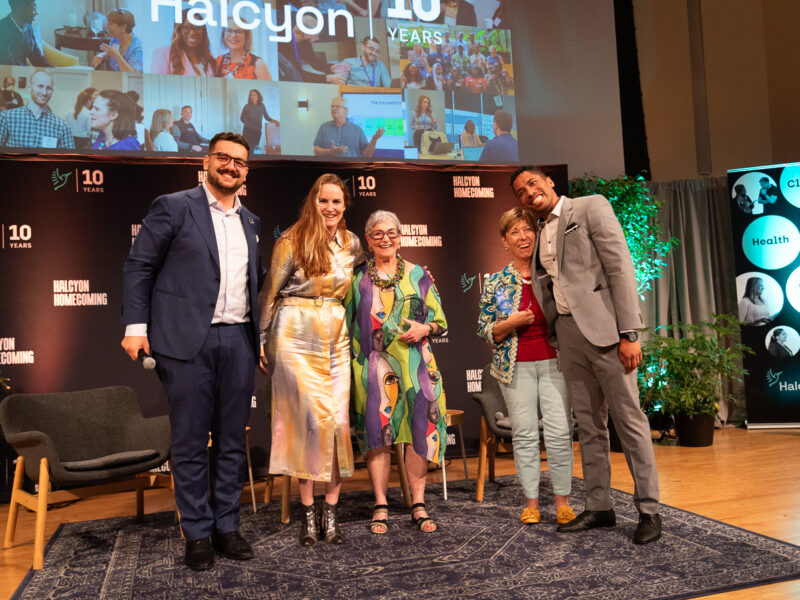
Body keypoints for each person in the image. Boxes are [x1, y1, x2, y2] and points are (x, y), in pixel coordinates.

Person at [121, 132, 265, 571]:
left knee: (232, 442)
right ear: (206, 162)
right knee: (188, 442)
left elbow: (253, 283)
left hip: (239, 340)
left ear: (246, 172)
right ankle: (197, 533)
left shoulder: (251, 221)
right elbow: (140, 266)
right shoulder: (173, 206)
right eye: (223, 157)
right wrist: (135, 326)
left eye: (239, 162)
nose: (231, 166)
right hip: (186, 342)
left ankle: (227, 526)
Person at [511, 166, 661, 545]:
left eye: (532, 183)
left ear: (549, 182)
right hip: (569, 336)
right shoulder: (539, 231)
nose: (528, 192)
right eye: (521, 191)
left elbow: (619, 267)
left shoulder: (590, 207)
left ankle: (649, 510)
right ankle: (599, 506)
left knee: (629, 422)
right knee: (590, 426)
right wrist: (559, 335)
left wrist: (629, 333)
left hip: (609, 334)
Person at [258, 173, 362, 546]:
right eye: (323, 200)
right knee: (305, 424)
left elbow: (361, 287)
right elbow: (270, 293)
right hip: (294, 331)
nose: (330, 208)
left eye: (337, 201)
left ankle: (330, 511)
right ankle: (307, 513)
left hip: (335, 331)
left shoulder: (352, 243)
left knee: (337, 423)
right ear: (312, 202)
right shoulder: (291, 240)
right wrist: (261, 340)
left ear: (345, 205)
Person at [345, 210, 447, 535]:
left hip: (417, 367)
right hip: (373, 368)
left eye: (391, 233)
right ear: (368, 240)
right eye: (378, 233)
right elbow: (344, 324)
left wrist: (424, 328)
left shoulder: (419, 275)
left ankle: (418, 502)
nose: (385, 238)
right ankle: (380, 503)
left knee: (420, 430)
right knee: (378, 435)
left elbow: (440, 322)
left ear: (401, 237)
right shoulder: (357, 278)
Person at [477, 207, 575, 525]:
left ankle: (563, 502)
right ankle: (531, 503)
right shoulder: (497, 283)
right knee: (525, 435)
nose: (523, 236)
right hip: (515, 368)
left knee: (559, 433)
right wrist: (510, 323)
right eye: (514, 231)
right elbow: (484, 329)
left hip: (555, 363)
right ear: (504, 240)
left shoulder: (552, 274)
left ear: (537, 234)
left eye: (527, 229)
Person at [0, 70, 73, 148]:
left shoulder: (62, 126)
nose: (44, 93)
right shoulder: (7, 117)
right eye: (40, 86)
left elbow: (69, 155)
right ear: (29, 87)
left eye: (49, 88)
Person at [277, 12, 348, 84]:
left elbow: (314, 61)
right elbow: (297, 74)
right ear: (306, 35)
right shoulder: (284, 45)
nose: (318, 38)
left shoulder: (304, 41)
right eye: (316, 36)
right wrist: (327, 78)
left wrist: (330, 68)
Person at [313, 96, 384, 158]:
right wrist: (331, 152)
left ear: (346, 111)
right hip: (328, 168)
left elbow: (367, 155)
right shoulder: (324, 127)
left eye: (337, 106)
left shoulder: (357, 130)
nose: (333, 109)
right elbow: (316, 151)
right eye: (332, 106)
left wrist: (374, 140)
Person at [151, 10, 215, 76]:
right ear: (178, 30)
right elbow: (157, 82)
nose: (192, 32)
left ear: (203, 31)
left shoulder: (209, 58)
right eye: (186, 27)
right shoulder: (163, 54)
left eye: (197, 28)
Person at [0, 0, 50, 67]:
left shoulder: (28, 28)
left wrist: (52, 70)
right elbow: (8, 65)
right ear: (20, 10)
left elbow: (36, 57)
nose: (36, 13)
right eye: (33, 10)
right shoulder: (2, 30)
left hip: (23, 71)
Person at [91, 8, 142, 72]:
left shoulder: (137, 49)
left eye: (110, 24)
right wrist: (102, 55)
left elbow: (134, 75)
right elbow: (113, 53)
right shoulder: (115, 39)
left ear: (123, 27)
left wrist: (117, 56)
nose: (106, 26)